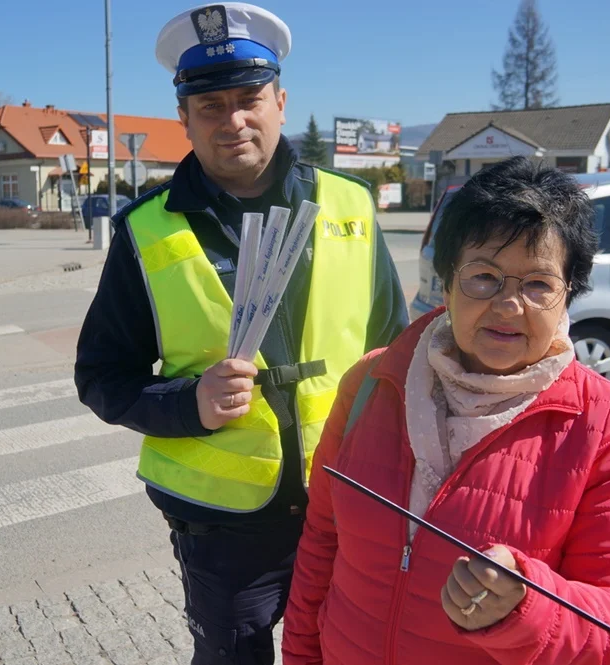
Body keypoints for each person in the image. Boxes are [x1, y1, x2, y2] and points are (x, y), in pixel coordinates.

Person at [74, 3, 408, 663]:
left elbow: (398, 353)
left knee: (351, 650)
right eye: (210, 106)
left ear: (280, 101)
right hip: (222, 529)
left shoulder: (350, 205)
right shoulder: (146, 230)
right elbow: (101, 378)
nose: (233, 120)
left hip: (345, 498)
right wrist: (186, 403)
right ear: (184, 120)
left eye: (250, 98)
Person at [281, 157, 610, 665]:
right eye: (483, 277)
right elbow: (321, 547)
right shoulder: (371, 383)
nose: (508, 305)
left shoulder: (607, 426)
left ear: (568, 297)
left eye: (538, 284)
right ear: (447, 283)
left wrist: (531, 609)